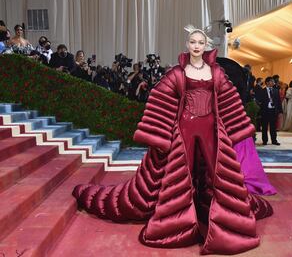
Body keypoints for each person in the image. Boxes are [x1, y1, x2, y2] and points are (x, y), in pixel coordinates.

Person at [72, 26, 273, 255]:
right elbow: (160, 98)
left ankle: (214, 218)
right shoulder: (177, 73)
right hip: (184, 130)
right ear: (188, 45)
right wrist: (158, 135)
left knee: (215, 173)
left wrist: (234, 129)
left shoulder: (216, 73)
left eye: (200, 42)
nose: (196, 46)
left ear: (205, 45)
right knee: (179, 174)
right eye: (193, 42)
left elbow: (229, 100)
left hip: (210, 131)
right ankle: (180, 223)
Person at [255, 76, 282, 145]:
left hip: (273, 110)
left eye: (273, 81)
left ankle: (274, 140)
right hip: (265, 110)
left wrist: (280, 111)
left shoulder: (276, 91)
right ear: (267, 82)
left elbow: (279, 101)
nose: (273, 82)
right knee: (264, 126)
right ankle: (265, 140)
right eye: (272, 81)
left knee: (273, 127)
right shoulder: (262, 91)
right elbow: (258, 101)